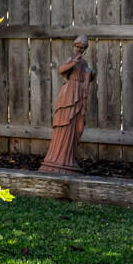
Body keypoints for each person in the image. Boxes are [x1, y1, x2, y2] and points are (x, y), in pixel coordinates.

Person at [39, 35, 91, 174]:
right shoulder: (72, 59)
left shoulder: (84, 63)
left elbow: (88, 76)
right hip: (68, 94)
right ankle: (57, 158)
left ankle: (69, 158)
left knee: (76, 126)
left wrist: (91, 74)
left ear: (85, 49)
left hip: (79, 94)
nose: (80, 50)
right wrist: (74, 62)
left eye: (82, 48)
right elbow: (62, 70)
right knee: (64, 123)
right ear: (74, 47)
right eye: (78, 47)